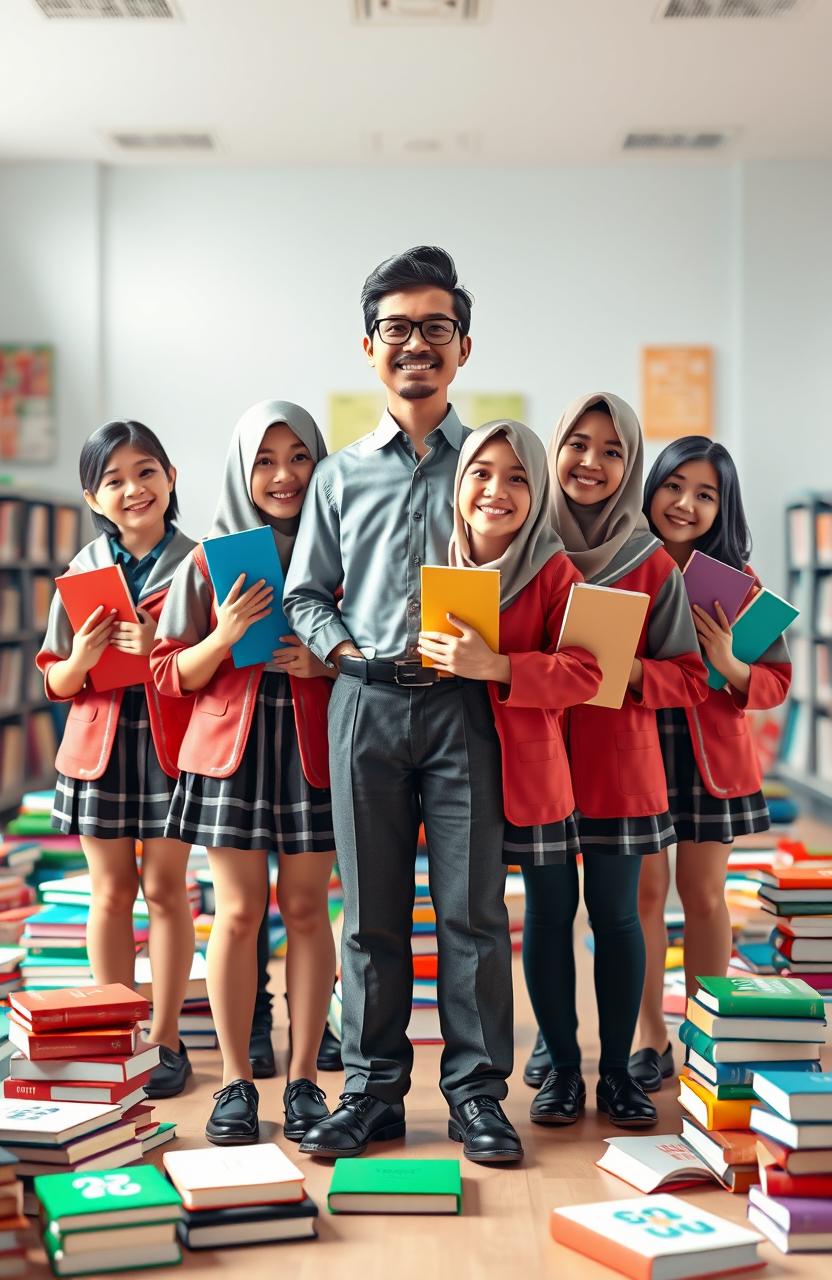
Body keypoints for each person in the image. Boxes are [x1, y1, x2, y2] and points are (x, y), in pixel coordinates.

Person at [284, 246, 523, 1164]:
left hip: (467, 710)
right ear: (369, 346)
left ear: (463, 347)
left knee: (472, 912)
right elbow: (310, 592)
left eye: (435, 328)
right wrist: (347, 654)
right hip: (367, 705)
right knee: (372, 915)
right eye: (396, 329)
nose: (415, 344)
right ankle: (375, 1093)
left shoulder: (496, 471)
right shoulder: (341, 476)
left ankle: (474, 1097)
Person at [151, 400, 336, 1145]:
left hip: (316, 750)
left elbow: (380, 648)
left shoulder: (345, 548)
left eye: (299, 457)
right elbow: (169, 673)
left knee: (306, 911)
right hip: (230, 754)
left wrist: (325, 658)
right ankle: (234, 1081)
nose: (285, 474)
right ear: (241, 468)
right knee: (236, 913)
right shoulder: (207, 558)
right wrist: (226, 635)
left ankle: (304, 1083)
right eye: (266, 459)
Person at [524, 393, 707, 1129]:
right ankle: (562, 1068)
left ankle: (618, 1073)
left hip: (620, 769)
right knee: (547, 913)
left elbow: (692, 678)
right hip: (538, 762)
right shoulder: (526, 550)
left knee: (619, 917)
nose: (590, 463)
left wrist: (628, 672)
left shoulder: (650, 561)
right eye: (577, 444)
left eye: (612, 451)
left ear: (629, 465)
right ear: (554, 450)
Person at [37, 419, 196, 1099]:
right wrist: (83, 657)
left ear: (170, 478)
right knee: (109, 893)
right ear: (93, 498)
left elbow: (219, 673)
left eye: (146, 471)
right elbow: (56, 681)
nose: (133, 489)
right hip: (98, 748)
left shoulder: (203, 562)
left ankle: (164, 1037)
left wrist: (163, 643)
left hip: (171, 746)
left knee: (165, 891)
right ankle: (117, 1031)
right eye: (114, 480)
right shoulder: (80, 572)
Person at [630, 437, 792, 1092]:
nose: (685, 503)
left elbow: (776, 684)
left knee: (701, 896)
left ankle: (704, 1027)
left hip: (708, 758)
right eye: (674, 486)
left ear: (723, 509)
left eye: (705, 494)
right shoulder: (620, 569)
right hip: (634, 748)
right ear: (652, 490)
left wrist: (729, 665)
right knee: (641, 896)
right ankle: (649, 1038)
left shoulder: (740, 587)